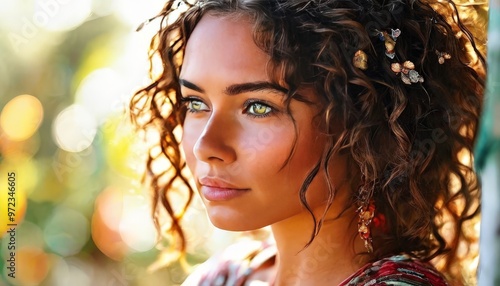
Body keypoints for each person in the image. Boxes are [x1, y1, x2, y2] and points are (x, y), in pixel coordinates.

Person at [130, 0, 485, 285]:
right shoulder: (224, 275)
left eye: (257, 107)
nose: (205, 145)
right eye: (195, 103)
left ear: (363, 123)